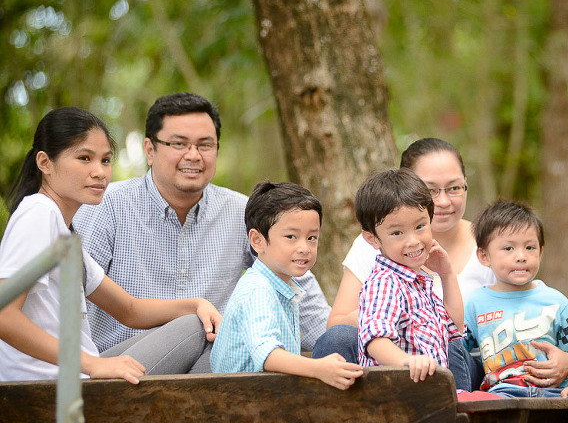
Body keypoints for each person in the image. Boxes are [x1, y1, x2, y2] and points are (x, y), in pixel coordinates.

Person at [74, 93, 330, 369]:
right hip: (119, 368)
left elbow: (294, 282)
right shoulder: (107, 206)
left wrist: (348, 340)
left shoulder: (239, 211)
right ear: (150, 150)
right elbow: (68, 299)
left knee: (232, 347)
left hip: (204, 371)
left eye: (205, 145)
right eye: (179, 143)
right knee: (197, 325)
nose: (193, 155)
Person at [314, 137, 568, 390]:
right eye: (430, 190)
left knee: (452, 347)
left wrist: (566, 356)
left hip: (475, 362)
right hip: (396, 357)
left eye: (454, 188)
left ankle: (455, 418)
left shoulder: (494, 244)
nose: (442, 201)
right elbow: (337, 323)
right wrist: (394, 316)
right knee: (338, 337)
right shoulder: (376, 247)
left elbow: (524, 310)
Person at [0, 107, 221, 384]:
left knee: (207, 336)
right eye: (84, 158)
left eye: (105, 160)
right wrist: (93, 365)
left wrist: (198, 303)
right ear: (45, 163)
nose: (99, 172)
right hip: (49, 388)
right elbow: (4, 315)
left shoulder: (64, 232)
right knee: (194, 329)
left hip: (77, 375)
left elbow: (129, 309)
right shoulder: (38, 213)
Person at [211, 181, 363, 389]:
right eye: (291, 237)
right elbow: (268, 354)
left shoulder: (283, 288)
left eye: (312, 238)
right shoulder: (257, 290)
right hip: (242, 401)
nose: (304, 248)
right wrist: (319, 368)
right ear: (257, 241)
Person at [465, 199, 568, 398]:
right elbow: (456, 349)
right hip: (502, 396)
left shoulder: (556, 302)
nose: (521, 256)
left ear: (541, 252)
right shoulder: (475, 304)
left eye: (530, 248)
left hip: (553, 394)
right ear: (484, 256)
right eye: (508, 248)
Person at [354, 167, 465, 384]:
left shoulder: (419, 284)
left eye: (420, 226)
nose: (413, 240)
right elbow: (375, 339)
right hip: (398, 396)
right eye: (397, 233)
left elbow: (455, 327)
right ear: (372, 239)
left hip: (427, 395)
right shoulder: (385, 282)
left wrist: (446, 274)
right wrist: (405, 361)